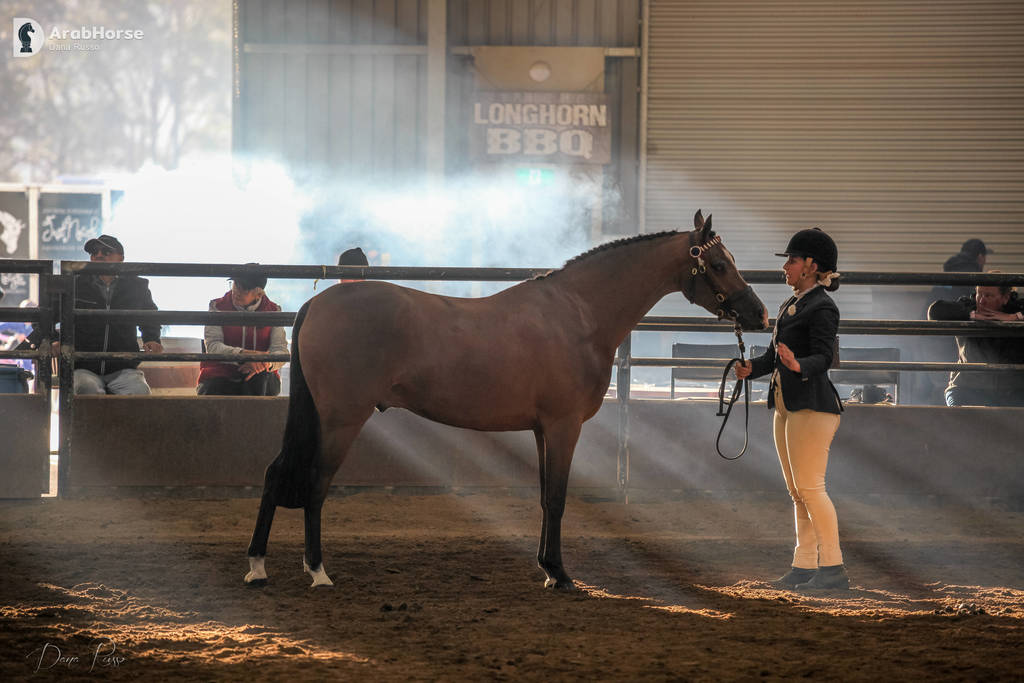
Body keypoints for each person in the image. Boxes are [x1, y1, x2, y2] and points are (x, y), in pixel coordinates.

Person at [735, 228, 848, 591]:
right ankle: (804, 564)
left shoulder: (823, 307)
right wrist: (751, 368)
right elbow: (774, 357)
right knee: (798, 492)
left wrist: (798, 365)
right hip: (787, 404)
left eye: (792, 260)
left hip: (812, 406)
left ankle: (833, 567)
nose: (786, 267)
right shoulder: (793, 303)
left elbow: (823, 356)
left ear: (812, 265)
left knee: (811, 488)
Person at [19, 235, 163, 394]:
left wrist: (151, 338)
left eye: (106, 251)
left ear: (121, 258)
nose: (99, 255)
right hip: (82, 367)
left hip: (123, 367)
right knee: (85, 388)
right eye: (94, 252)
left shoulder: (137, 286)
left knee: (139, 391)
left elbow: (150, 315)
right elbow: (43, 316)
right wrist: (53, 340)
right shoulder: (74, 284)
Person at [927, 277, 1024, 407]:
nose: (981, 301)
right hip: (967, 387)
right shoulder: (968, 307)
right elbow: (934, 311)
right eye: (979, 294)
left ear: (1005, 298)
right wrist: (971, 315)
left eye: (988, 296)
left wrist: (1015, 317)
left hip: (1012, 390)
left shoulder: (1017, 309)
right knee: (959, 413)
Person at [197, 270, 287, 396]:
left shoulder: (274, 311)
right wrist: (245, 355)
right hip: (220, 374)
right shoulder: (217, 307)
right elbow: (213, 346)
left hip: (260, 375)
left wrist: (265, 362)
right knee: (214, 386)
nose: (236, 291)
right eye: (235, 284)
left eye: (244, 289)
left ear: (259, 294)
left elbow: (281, 350)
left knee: (259, 378)